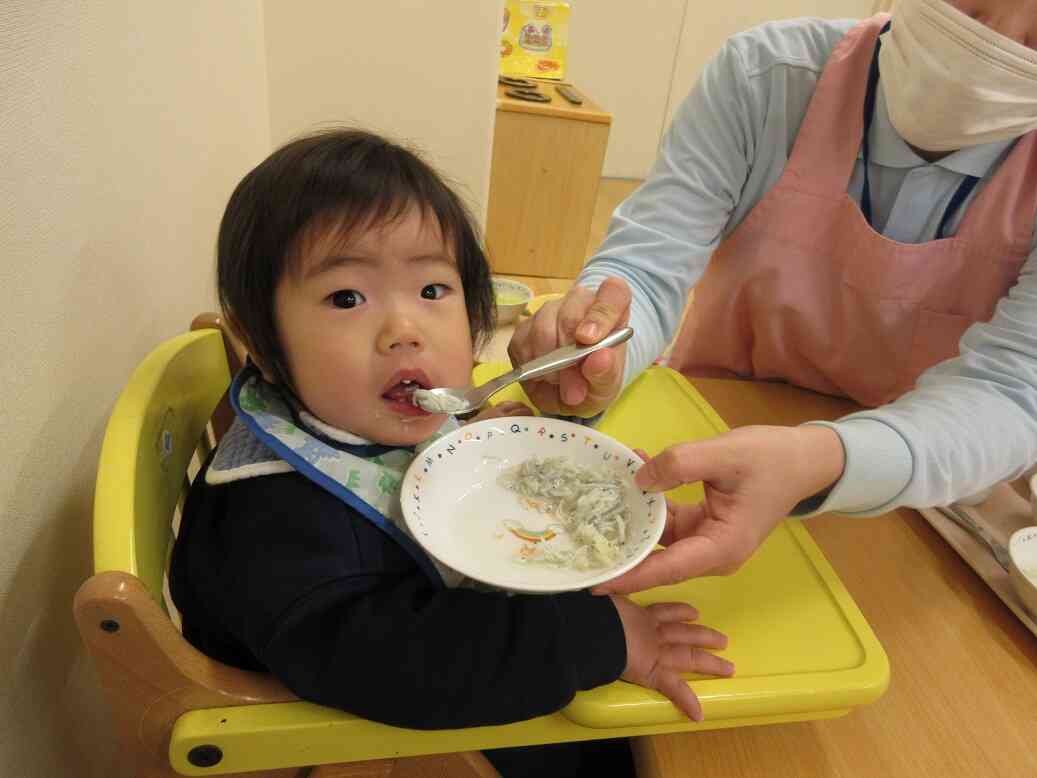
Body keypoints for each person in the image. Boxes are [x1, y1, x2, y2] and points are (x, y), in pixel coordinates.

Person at [168, 129, 734, 777]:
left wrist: (498, 444)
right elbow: (406, 667)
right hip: (358, 736)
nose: (404, 330)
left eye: (432, 290)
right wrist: (598, 638)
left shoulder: (344, 416)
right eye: (346, 297)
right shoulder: (277, 519)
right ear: (262, 345)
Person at [508, 0, 1037, 594]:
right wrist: (598, 344)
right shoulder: (767, 76)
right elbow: (650, 264)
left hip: (921, 487)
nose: (994, 44)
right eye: (976, 4)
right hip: (707, 445)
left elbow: (1015, 390)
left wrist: (824, 458)